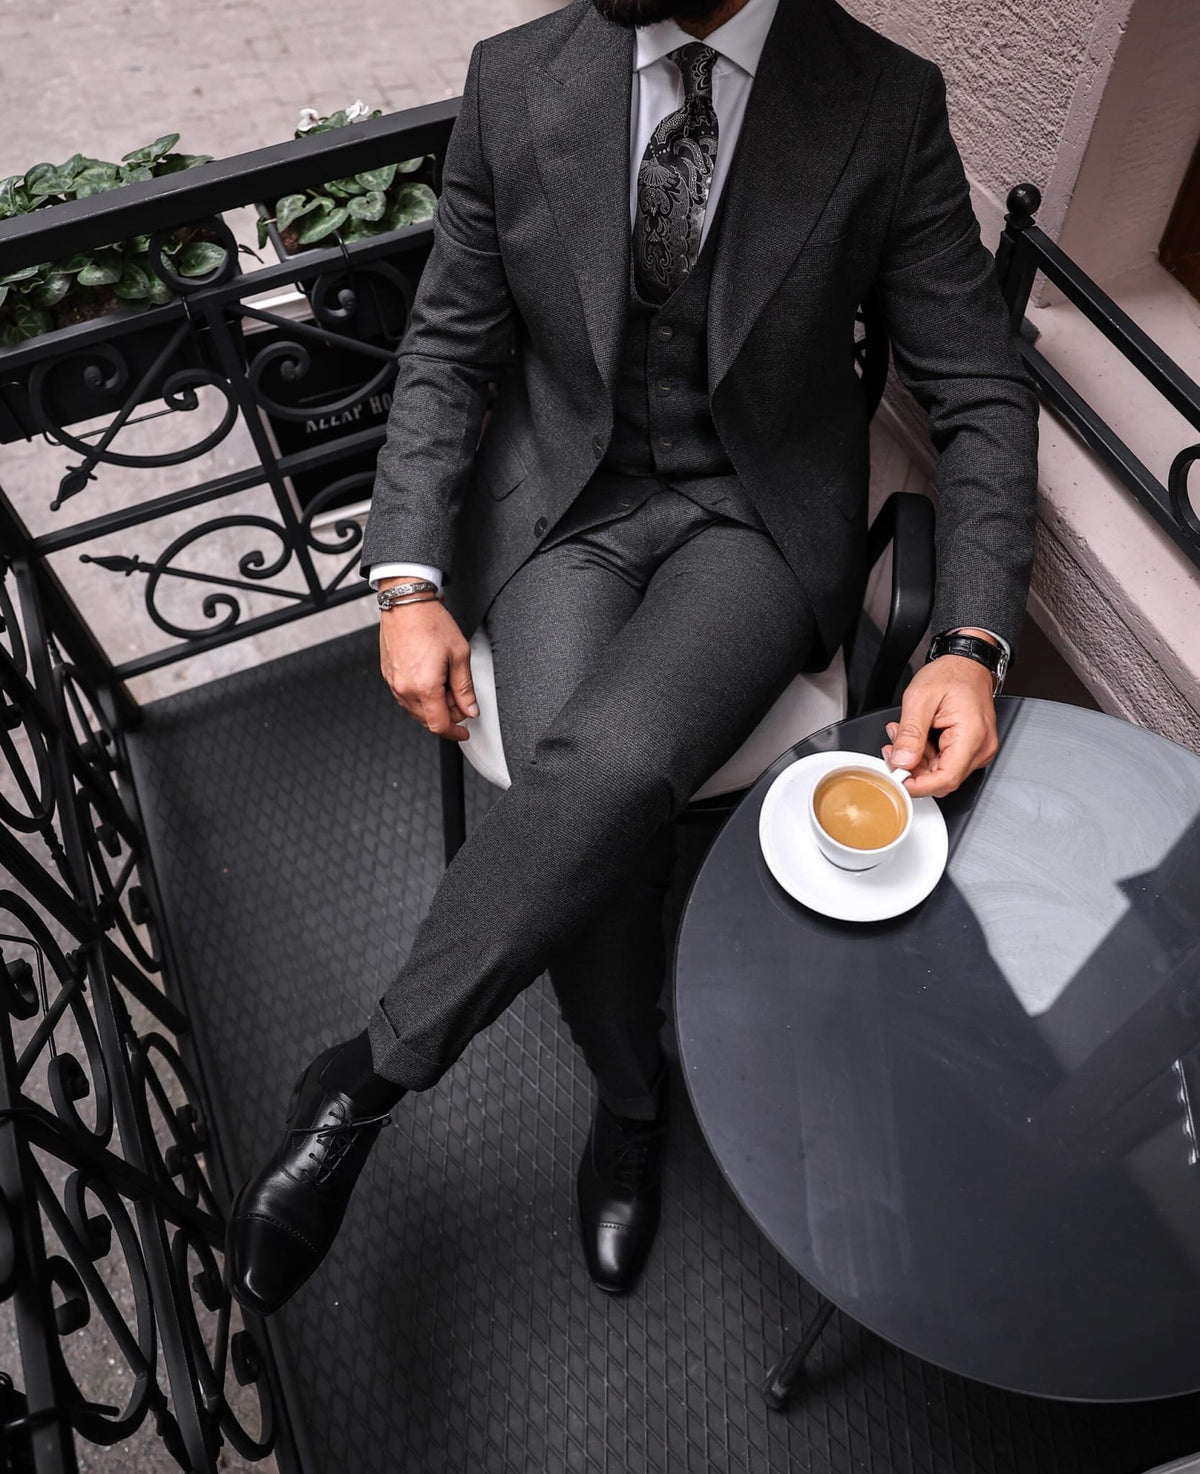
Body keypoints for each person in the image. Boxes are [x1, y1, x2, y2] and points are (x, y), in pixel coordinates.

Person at [225, 0, 1039, 1315]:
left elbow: (982, 390)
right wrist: (408, 576)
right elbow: (448, 344)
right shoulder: (516, 78)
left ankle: (367, 1077)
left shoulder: (884, 105)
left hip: (751, 521)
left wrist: (974, 638)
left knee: (608, 760)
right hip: (565, 502)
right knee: (594, 802)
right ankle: (633, 1096)